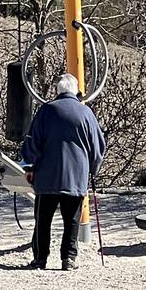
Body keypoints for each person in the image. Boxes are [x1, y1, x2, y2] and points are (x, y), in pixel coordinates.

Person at [21, 73, 105, 270]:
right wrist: (93, 169)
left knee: (43, 220)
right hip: (76, 177)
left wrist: (29, 166)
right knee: (72, 220)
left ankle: (40, 259)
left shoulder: (46, 110)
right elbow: (98, 146)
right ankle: (68, 259)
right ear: (76, 90)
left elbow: (33, 142)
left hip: (46, 177)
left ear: (57, 91)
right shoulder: (86, 113)